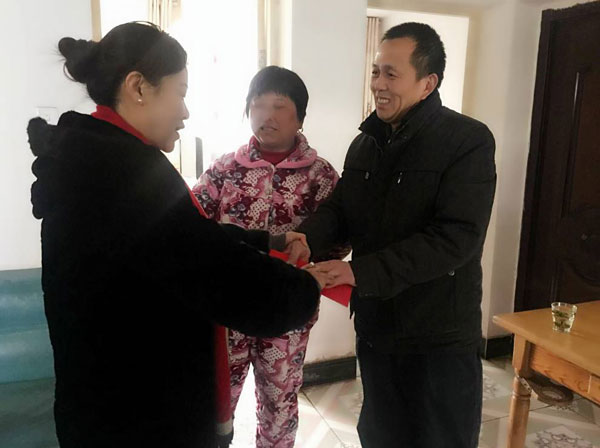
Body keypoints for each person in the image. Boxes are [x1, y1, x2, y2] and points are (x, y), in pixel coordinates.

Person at [26, 22, 328, 448]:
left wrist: (267, 242)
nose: (185, 112)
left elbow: (186, 239)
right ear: (139, 87)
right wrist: (304, 286)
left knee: (278, 407)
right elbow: (207, 263)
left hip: (110, 401)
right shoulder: (127, 176)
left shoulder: (95, 157)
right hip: (139, 415)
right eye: (180, 92)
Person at [286, 23, 496, 447]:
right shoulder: (365, 145)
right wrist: (306, 237)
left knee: (440, 440)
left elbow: (455, 238)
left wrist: (359, 272)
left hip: (438, 337)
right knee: (381, 435)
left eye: (391, 74)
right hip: (377, 329)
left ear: (427, 83)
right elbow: (342, 209)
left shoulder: (467, 141)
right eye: (375, 71)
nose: (378, 84)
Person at [193, 66, 342, 448]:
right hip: (228, 307)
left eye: (279, 106)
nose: (267, 115)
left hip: (288, 310)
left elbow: (338, 238)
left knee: (280, 404)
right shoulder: (226, 168)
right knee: (216, 402)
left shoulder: (321, 176)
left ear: (300, 117)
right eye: (258, 105)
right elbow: (194, 227)